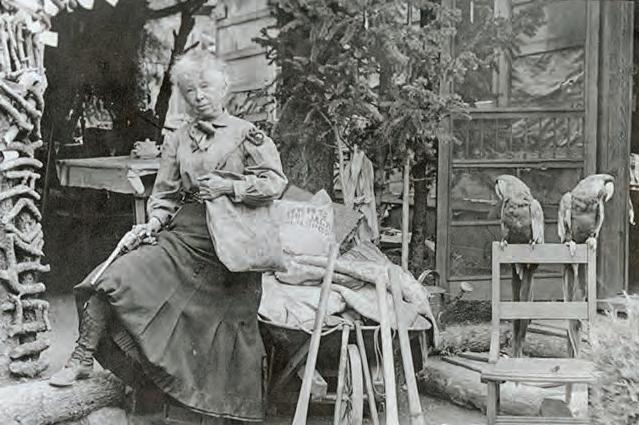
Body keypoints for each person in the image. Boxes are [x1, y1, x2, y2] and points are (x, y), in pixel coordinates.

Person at [49, 50, 288, 422]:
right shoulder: (178, 138)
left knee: (218, 330)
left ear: (224, 86)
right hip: (184, 236)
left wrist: (230, 187)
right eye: (190, 90)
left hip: (233, 247)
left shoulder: (247, 134)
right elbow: (166, 194)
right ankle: (80, 358)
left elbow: (274, 183)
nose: (198, 96)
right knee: (112, 277)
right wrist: (154, 222)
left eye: (205, 86)